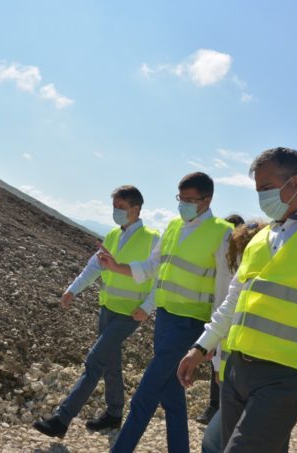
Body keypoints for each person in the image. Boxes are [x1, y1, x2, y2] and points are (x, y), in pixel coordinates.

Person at [178, 147, 297, 452]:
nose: (261, 197)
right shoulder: (260, 240)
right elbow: (233, 301)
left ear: (295, 183)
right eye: (258, 190)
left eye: (266, 188)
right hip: (238, 370)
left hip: (287, 378)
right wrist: (201, 347)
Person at [99, 172, 234, 453]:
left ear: (207, 200)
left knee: (146, 393)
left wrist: (214, 343)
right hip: (165, 319)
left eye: (189, 200)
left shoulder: (222, 233)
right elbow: (152, 266)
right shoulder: (173, 227)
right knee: (171, 394)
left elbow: (224, 291)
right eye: (180, 199)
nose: (183, 205)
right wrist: (117, 268)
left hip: (191, 324)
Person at [33, 185, 160, 439]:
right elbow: (94, 267)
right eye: (114, 207)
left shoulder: (153, 238)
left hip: (130, 314)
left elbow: (161, 277)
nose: (116, 211)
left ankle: (61, 420)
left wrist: (147, 307)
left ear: (136, 209)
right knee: (110, 362)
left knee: (94, 361)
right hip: (108, 309)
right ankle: (114, 414)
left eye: (121, 207)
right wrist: (72, 290)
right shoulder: (112, 235)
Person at [201, 221, 268, 453]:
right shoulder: (236, 281)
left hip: (261, 379)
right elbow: (225, 314)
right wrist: (216, 363)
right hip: (233, 375)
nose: (239, 260)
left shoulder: (267, 285)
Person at [197, 214, 246, 426]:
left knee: (226, 363)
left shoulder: (246, 255)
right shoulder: (220, 252)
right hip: (219, 313)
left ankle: (226, 410)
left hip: (234, 317)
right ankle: (214, 406)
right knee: (215, 363)